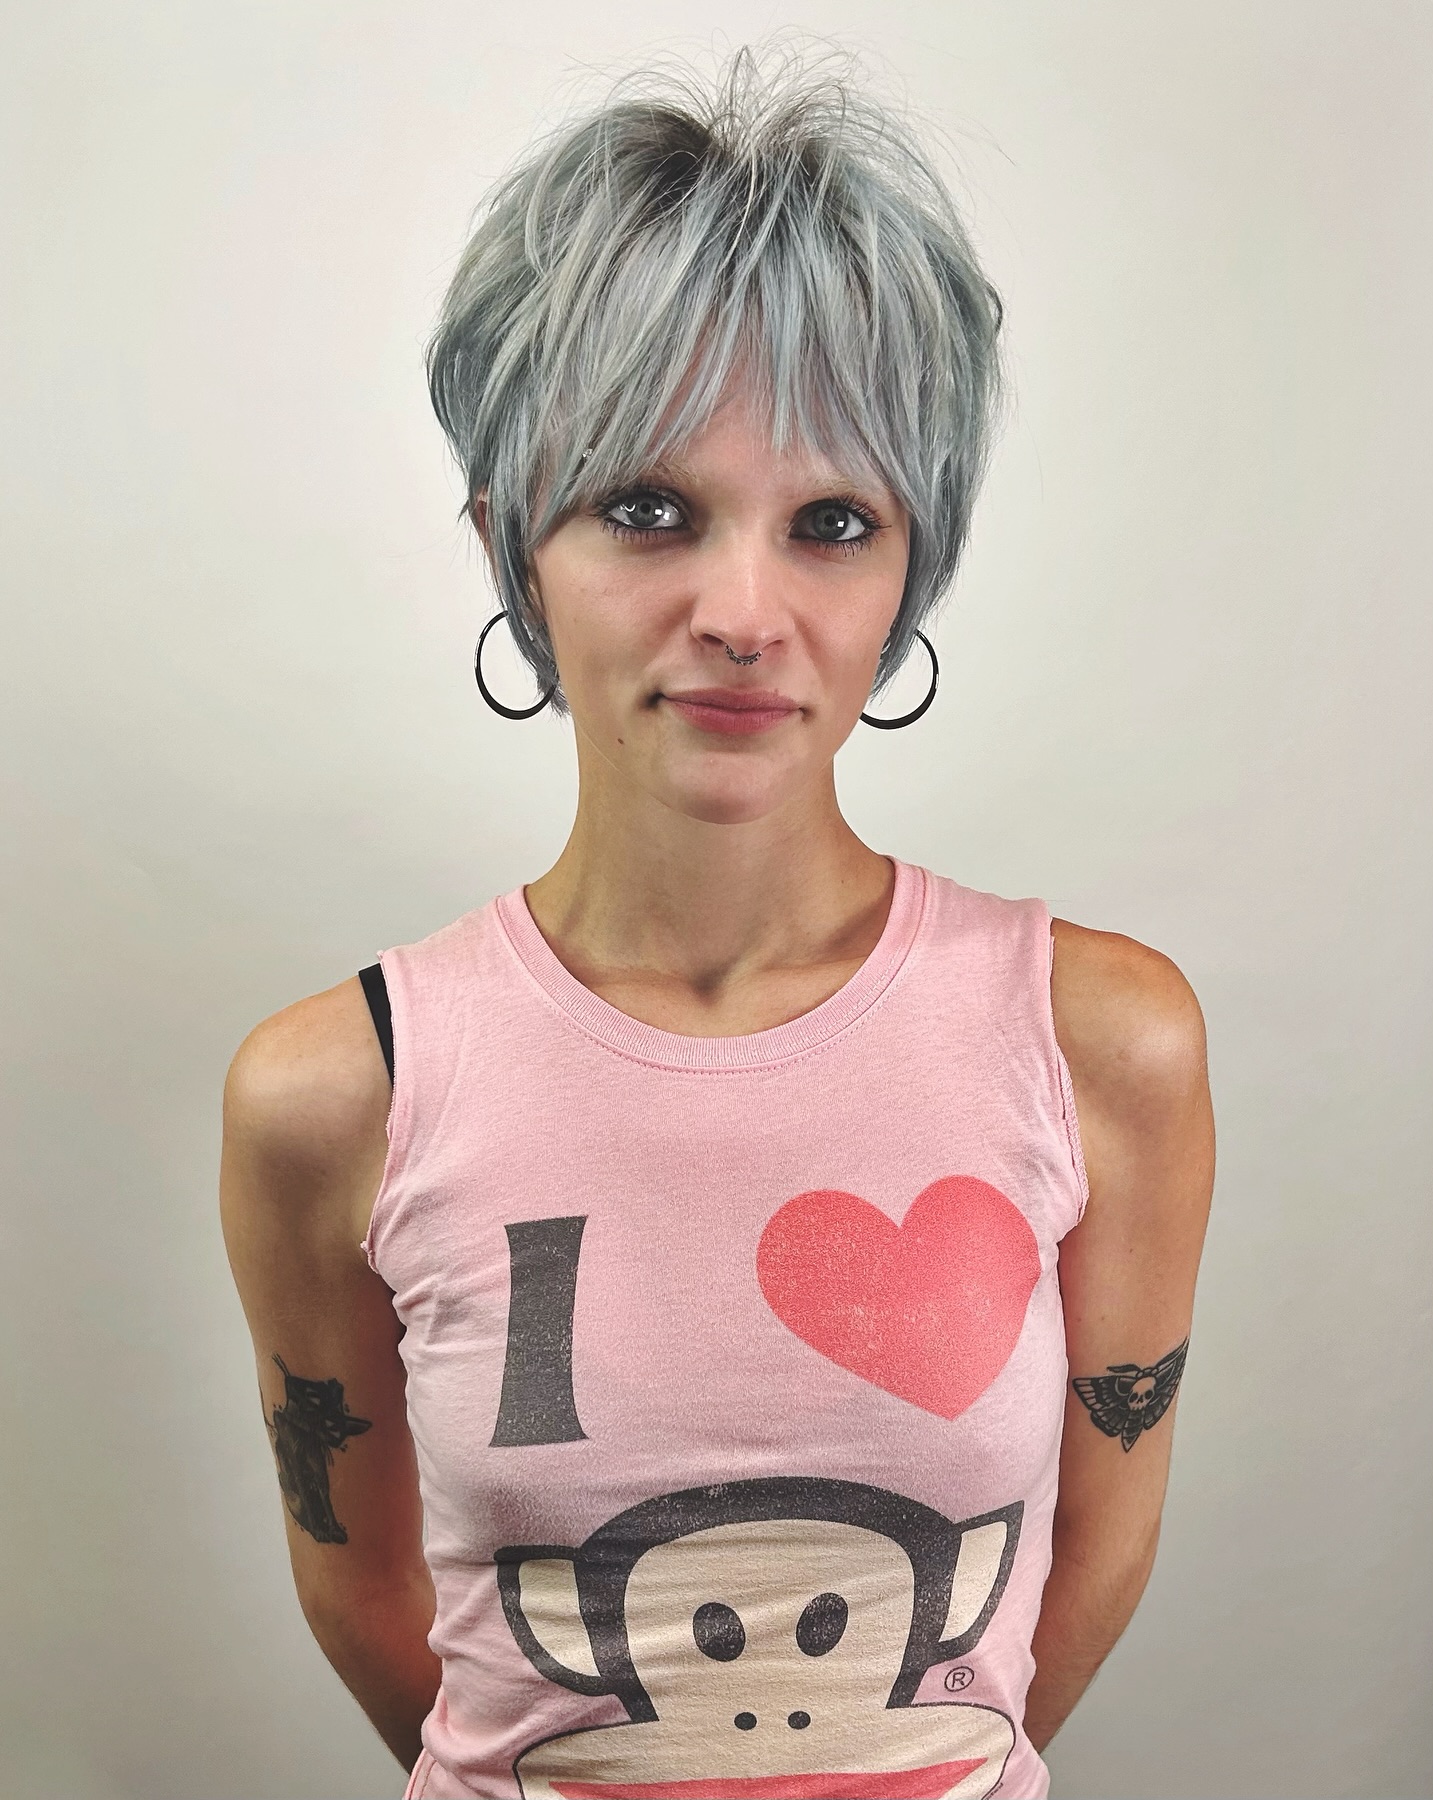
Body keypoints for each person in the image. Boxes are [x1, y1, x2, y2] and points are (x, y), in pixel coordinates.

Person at [220, 44, 1214, 1800]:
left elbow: (1085, 1566)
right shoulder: (332, 1093)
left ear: (912, 570)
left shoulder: (1101, 1044)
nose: (746, 610)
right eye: (647, 509)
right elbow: (371, 1601)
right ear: (513, 549)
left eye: (833, 522)